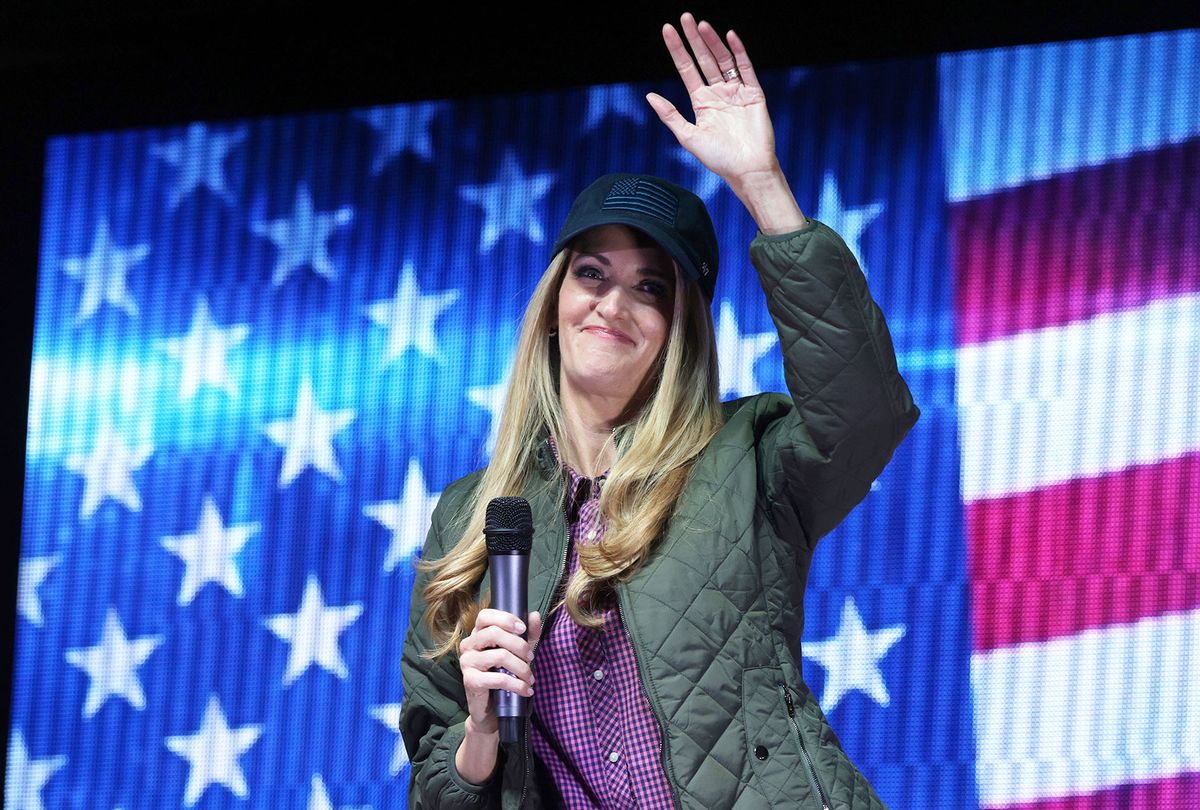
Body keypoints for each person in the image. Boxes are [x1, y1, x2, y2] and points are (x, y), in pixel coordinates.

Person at [400, 12, 918, 809]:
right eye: (593, 274)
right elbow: (436, 778)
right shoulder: (473, 517)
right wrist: (477, 735)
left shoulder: (744, 456)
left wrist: (762, 187)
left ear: (680, 330)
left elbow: (864, 410)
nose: (613, 305)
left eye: (651, 287)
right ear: (553, 302)